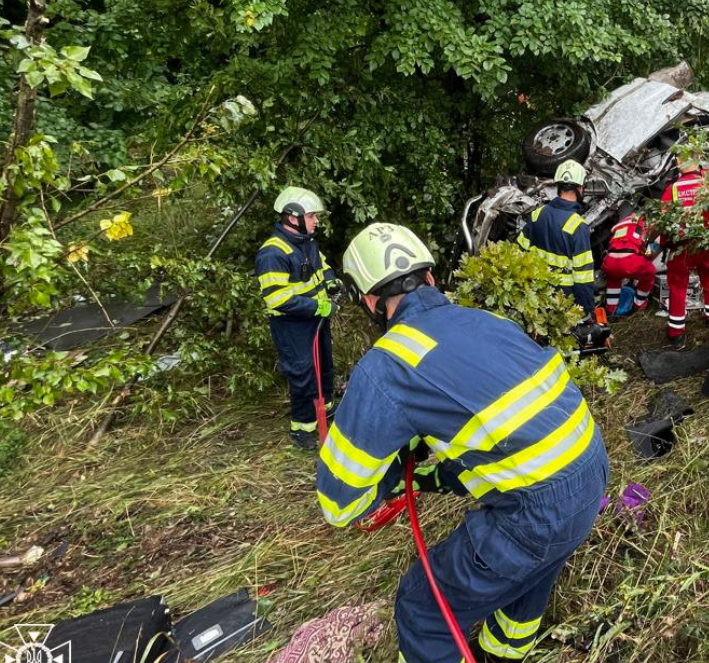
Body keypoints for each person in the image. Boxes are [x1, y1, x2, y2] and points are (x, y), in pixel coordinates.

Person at [318, 223, 608, 663]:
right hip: (590, 475)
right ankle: (501, 654)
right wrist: (427, 477)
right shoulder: (486, 320)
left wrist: (394, 474)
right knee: (532, 572)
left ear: (370, 303)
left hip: (539, 511)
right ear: (432, 278)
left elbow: (340, 505)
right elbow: (510, 437)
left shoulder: (387, 366)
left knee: (421, 607)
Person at [254, 187, 336, 450]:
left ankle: (326, 415)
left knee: (324, 368)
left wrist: (333, 285)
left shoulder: (307, 242)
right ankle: (303, 429)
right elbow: (278, 299)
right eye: (312, 216)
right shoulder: (272, 254)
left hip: (316, 321)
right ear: (292, 216)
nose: (316, 221)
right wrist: (319, 307)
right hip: (292, 327)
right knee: (303, 375)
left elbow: (323, 267)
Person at [660, 157, 709, 345]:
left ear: (677, 163)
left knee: (678, 284)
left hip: (682, 246)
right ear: (698, 159)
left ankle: (676, 333)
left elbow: (663, 222)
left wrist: (663, 244)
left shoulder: (672, 189)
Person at [517, 160, 596, 316]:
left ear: (558, 186)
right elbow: (583, 277)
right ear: (580, 188)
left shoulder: (537, 215)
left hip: (535, 296)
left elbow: (518, 253)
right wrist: (586, 310)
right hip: (562, 303)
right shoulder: (578, 226)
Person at [601, 205, 657, 315]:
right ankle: (639, 304)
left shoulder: (621, 224)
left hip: (610, 261)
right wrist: (649, 256)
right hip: (630, 261)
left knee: (614, 278)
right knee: (650, 272)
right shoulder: (644, 224)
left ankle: (611, 309)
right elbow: (648, 249)